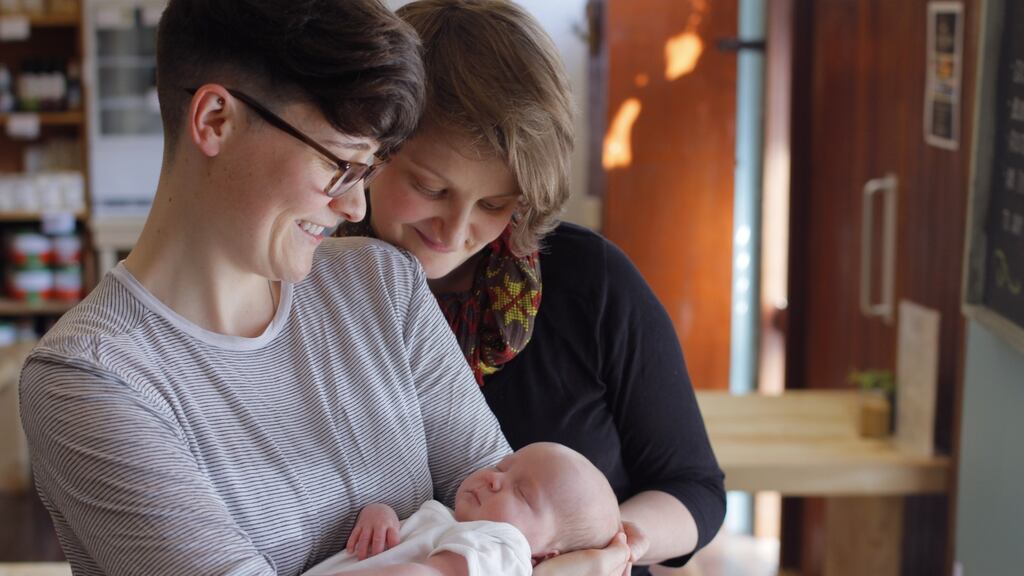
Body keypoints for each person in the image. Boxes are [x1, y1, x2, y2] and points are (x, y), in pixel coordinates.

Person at [18, 1, 512, 575]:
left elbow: (521, 522)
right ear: (215, 121)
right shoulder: (90, 377)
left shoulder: (383, 286)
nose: (355, 206)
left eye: (368, 170)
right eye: (340, 165)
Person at [339, 1, 727, 574]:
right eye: (430, 188)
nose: (455, 230)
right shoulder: (312, 288)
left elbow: (693, 487)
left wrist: (604, 554)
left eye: (494, 203)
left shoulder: (588, 280)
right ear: (370, 150)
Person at [302, 442, 621, 576]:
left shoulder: (507, 548)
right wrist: (382, 515)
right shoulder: (446, 519)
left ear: (543, 558)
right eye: (501, 466)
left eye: (522, 493)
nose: (495, 479)